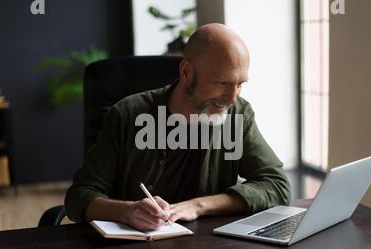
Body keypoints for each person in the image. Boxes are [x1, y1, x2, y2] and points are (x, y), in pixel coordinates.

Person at [65, 23, 291, 231]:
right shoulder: (126, 115)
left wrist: (198, 206)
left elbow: (277, 186)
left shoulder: (238, 114)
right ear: (186, 72)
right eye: (222, 83)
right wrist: (126, 211)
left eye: (240, 84)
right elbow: (79, 196)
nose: (232, 98)